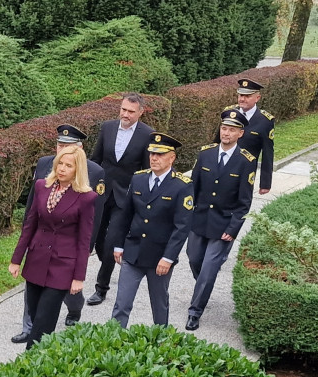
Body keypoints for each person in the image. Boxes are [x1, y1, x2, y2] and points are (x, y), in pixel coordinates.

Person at [11, 124, 107, 343]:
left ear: (77, 169)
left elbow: (84, 239)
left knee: (44, 321)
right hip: (37, 258)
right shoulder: (42, 187)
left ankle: (31, 362)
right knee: (35, 314)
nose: (62, 168)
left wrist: (79, 276)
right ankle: (39, 350)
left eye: (68, 165)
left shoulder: (86, 197)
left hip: (63, 262)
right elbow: (29, 224)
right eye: (60, 163)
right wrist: (16, 259)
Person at [106, 133, 194, 328]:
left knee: (159, 304)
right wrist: (119, 245)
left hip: (159, 257)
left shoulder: (182, 186)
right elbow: (125, 215)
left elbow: (181, 227)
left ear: (172, 157)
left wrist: (169, 258)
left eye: (160, 154)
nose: (154, 158)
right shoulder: (138, 179)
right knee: (122, 303)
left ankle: (161, 342)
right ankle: (113, 342)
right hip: (133, 253)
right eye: (152, 153)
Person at [186, 109, 258, 331]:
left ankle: (194, 311)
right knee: (194, 259)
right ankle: (204, 287)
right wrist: (186, 215)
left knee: (208, 270)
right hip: (199, 220)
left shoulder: (246, 161)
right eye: (224, 128)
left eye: (232, 130)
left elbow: (244, 201)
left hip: (224, 224)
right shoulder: (205, 154)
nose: (226, 133)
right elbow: (193, 188)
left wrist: (234, 228)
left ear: (240, 133)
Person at [87, 92, 154, 307]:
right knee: (96, 238)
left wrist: (141, 199)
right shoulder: (107, 127)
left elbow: (146, 170)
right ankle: (107, 260)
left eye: (130, 111)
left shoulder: (147, 134)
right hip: (101, 191)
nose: (125, 114)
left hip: (124, 197)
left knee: (110, 243)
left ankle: (101, 287)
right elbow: (96, 159)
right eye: (123, 109)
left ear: (140, 113)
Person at [225, 78, 275, 195]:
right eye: (240, 95)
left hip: (245, 172)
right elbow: (217, 142)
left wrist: (265, 183)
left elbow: (268, 152)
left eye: (247, 96)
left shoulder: (265, 120)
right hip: (224, 168)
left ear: (257, 98)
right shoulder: (229, 113)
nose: (242, 99)